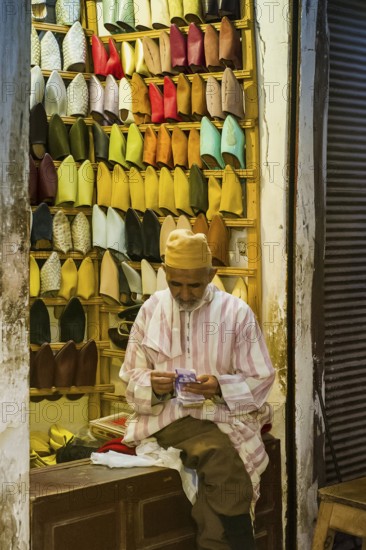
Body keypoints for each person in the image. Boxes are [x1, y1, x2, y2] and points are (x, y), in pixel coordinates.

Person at [120, 229, 275, 550]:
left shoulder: (236, 313)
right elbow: (130, 377)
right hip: (170, 419)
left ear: (211, 274)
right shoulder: (150, 311)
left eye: (195, 285)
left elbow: (261, 379)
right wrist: (154, 385)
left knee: (213, 503)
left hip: (223, 415)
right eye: (176, 284)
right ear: (165, 273)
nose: (186, 294)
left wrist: (220, 385)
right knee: (219, 456)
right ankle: (243, 542)